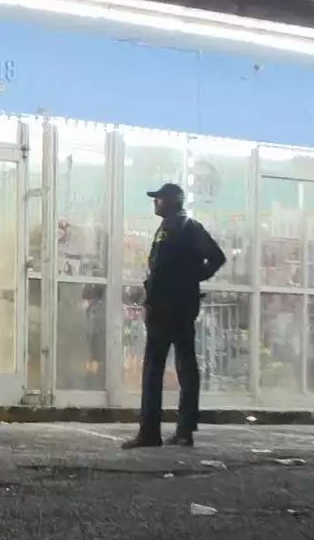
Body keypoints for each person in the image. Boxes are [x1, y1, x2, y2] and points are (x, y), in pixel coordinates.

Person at [122, 182, 226, 449]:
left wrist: (190, 280)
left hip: (170, 307)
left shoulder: (185, 226)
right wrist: (191, 280)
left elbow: (216, 257)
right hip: (178, 305)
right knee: (184, 365)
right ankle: (183, 430)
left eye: (159, 198)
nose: (154, 202)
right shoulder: (175, 226)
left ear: (172, 201)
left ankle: (151, 431)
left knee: (157, 369)